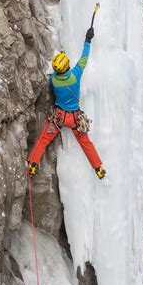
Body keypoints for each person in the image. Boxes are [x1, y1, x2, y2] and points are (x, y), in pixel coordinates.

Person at [27, 26, 106, 179]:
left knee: (43, 139)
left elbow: (57, 75)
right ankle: (99, 168)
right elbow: (84, 59)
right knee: (86, 143)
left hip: (59, 118)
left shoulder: (54, 80)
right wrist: (88, 40)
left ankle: (32, 164)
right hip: (75, 119)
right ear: (67, 66)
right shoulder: (75, 75)